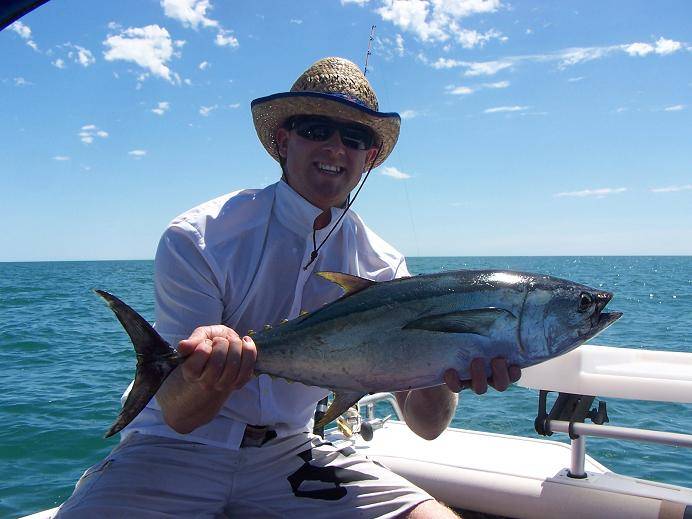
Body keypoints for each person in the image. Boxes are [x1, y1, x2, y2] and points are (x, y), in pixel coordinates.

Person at [57, 57, 521, 518]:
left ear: (369, 157)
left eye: (355, 137)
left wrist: (448, 361)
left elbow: (427, 427)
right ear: (283, 140)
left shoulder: (383, 265)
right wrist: (212, 370)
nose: (336, 148)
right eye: (317, 129)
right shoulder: (201, 237)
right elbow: (181, 415)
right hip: (173, 448)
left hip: (291, 453)